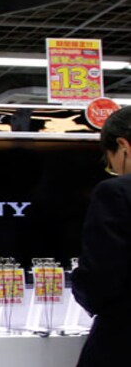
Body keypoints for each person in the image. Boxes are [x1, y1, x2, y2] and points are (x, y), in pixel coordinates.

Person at [72, 106, 131, 367]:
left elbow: (101, 274)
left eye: (111, 162)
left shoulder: (117, 192)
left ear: (123, 145)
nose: (115, 170)